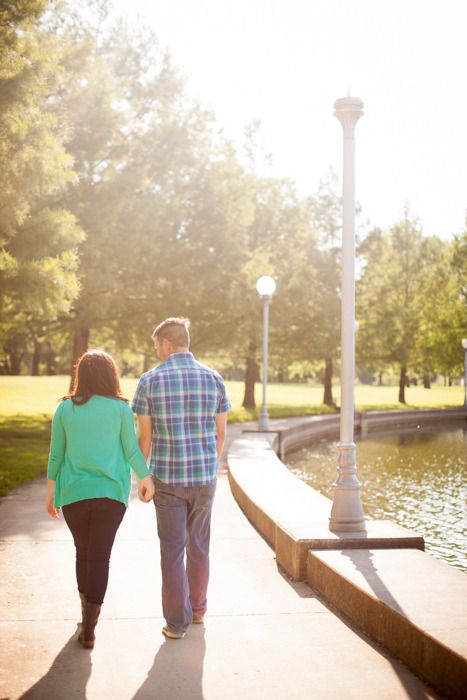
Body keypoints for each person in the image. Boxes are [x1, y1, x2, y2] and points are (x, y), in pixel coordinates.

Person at [46, 350, 155, 649]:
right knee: (100, 555)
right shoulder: (120, 409)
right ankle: (90, 626)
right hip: (111, 496)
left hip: (74, 495)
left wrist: (50, 493)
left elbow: (56, 454)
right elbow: (131, 450)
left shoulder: (65, 409)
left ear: (81, 375)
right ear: (111, 375)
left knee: (83, 551)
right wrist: (146, 479)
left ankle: (86, 614)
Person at [132, 317, 231, 640]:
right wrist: (207, 468)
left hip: (167, 481)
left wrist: (141, 478)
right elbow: (221, 433)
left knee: (172, 551)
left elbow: (144, 439)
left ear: (167, 343)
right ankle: (197, 610)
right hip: (204, 478)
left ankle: (177, 623)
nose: (156, 350)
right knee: (199, 546)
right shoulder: (214, 378)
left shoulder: (150, 380)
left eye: (156, 344)